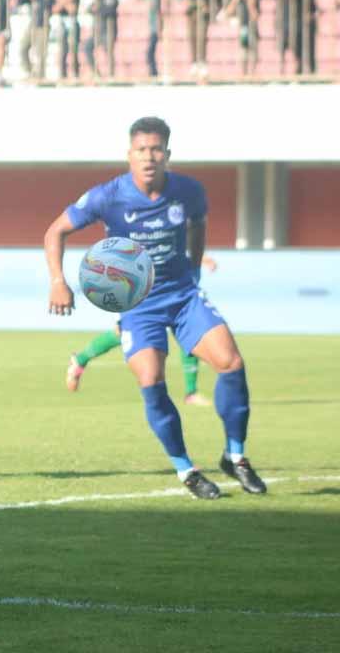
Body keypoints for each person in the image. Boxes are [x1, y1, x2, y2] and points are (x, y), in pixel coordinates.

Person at [43, 117, 266, 500]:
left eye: (157, 149)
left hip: (182, 295)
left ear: (168, 155)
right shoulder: (108, 196)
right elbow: (55, 231)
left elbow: (198, 226)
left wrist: (194, 267)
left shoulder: (189, 191)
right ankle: (186, 470)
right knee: (151, 379)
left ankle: (236, 456)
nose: (149, 157)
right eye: (142, 150)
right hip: (139, 304)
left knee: (231, 363)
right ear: (129, 155)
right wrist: (58, 282)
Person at [66, 256, 219, 407]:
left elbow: (178, 241)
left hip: (170, 287)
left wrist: (201, 258)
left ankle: (191, 393)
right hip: (136, 287)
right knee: (121, 332)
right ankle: (81, 359)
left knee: (187, 330)